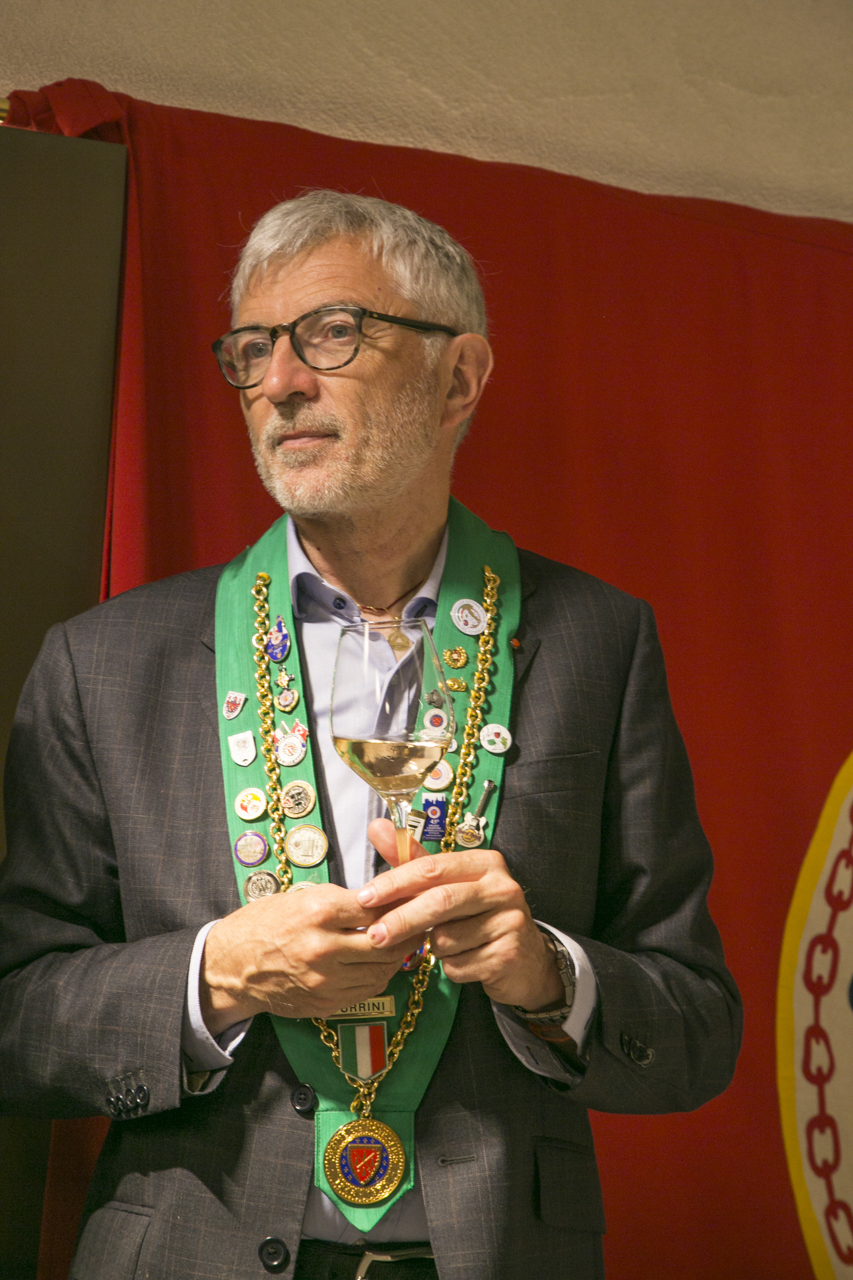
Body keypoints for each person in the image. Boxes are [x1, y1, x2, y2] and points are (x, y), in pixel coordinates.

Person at [0, 191, 742, 1280]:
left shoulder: (599, 641)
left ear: (459, 377)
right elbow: (16, 1018)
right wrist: (219, 974)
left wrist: (545, 972)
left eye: (331, 333)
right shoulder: (102, 661)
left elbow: (698, 1028)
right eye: (252, 350)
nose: (279, 382)